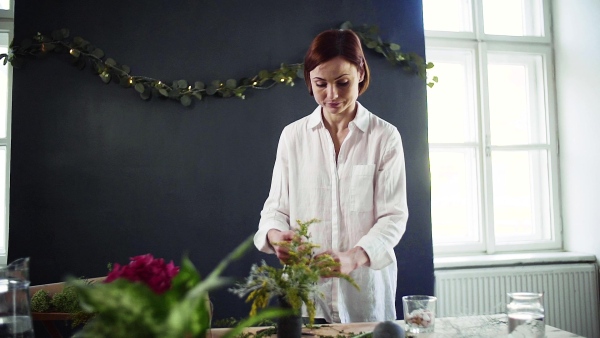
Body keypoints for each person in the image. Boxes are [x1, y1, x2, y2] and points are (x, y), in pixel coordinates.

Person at [253, 29, 408, 323]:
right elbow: (275, 209)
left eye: (343, 83)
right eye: (321, 84)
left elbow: (393, 218)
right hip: (306, 297)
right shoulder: (293, 137)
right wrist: (276, 237)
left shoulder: (385, 137)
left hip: (365, 295)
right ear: (309, 80)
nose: (332, 95)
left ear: (361, 72)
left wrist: (353, 257)